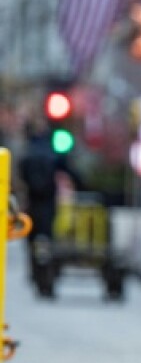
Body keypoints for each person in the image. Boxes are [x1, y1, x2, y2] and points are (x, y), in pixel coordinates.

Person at [18, 118, 81, 298]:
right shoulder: (53, 153)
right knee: (47, 241)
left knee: (32, 240)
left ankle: (35, 273)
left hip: (32, 203)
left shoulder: (28, 153)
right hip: (47, 203)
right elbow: (69, 171)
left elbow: (21, 174)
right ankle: (48, 277)